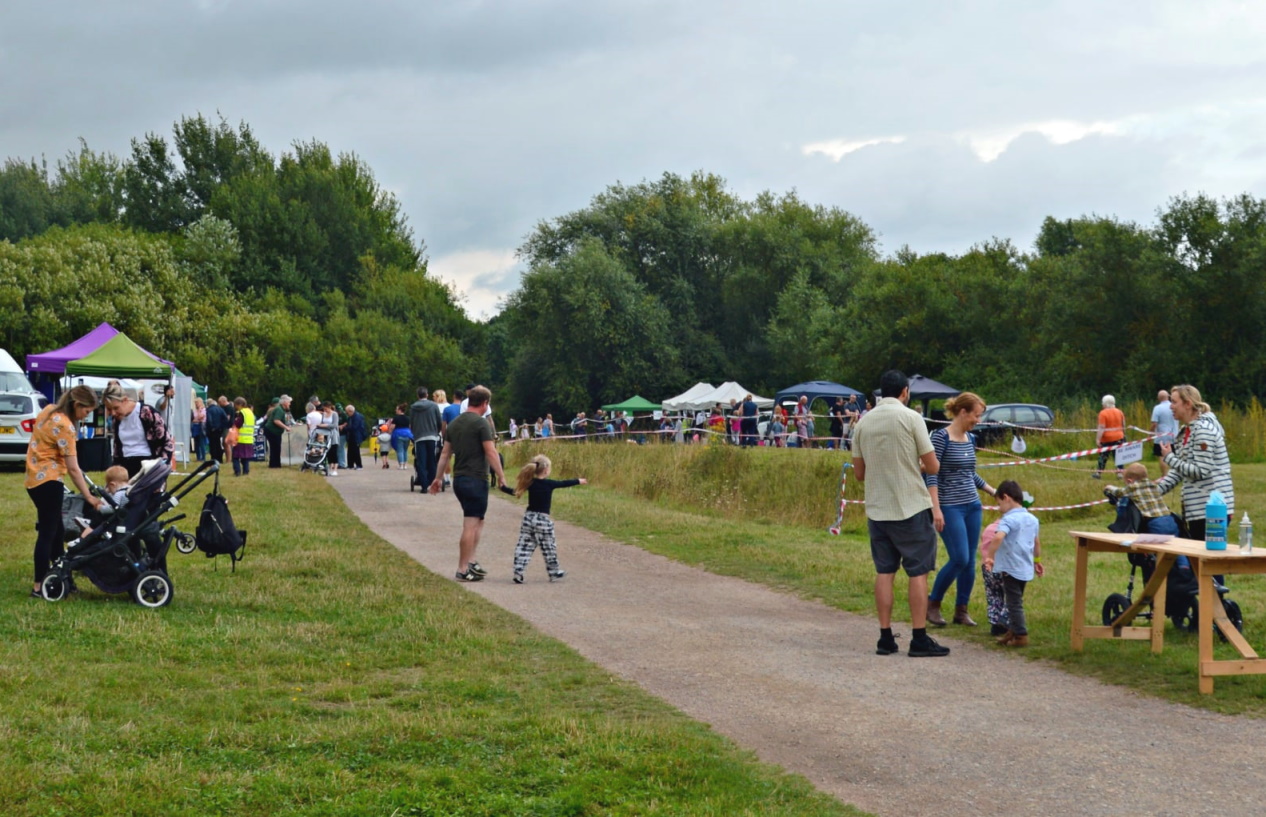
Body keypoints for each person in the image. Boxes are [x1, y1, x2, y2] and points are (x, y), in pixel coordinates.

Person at [850, 369, 948, 657]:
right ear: (905, 392)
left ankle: (885, 637)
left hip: (878, 509)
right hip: (910, 506)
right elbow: (933, 466)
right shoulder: (911, 418)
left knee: (885, 571)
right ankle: (919, 637)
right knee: (918, 571)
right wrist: (913, 464)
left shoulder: (863, 425)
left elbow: (858, 474)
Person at [924, 392, 998, 628]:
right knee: (959, 557)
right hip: (949, 506)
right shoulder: (940, 437)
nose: (977, 420)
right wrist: (936, 509)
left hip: (972, 505)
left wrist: (993, 491)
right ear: (962, 412)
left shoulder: (971, 439)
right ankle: (932, 604)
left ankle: (961, 610)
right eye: (975, 415)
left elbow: (969, 473)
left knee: (969, 561)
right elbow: (931, 474)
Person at [25, 385, 101, 597]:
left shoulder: (48, 410)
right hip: (49, 481)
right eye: (86, 411)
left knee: (57, 531)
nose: (87, 416)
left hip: (33, 480)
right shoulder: (65, 426)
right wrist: (88, 496)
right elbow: (74, 469)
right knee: (48, 533)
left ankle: (64, 577)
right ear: (77, 405)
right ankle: (39, 585)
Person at [429, 386, 507, 581]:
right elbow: (491, 452)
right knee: (470, 524)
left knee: (478, 520)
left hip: (460, 479)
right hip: (475, 479)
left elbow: (445, 454)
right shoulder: (482, 424)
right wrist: (502, 476)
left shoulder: (455, 424)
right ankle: (462, 569)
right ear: (485, 403)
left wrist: (438, 478)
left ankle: (471, 561)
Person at [1156, 384, 1234, 541]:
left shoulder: (1202, 430)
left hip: (1212, 509)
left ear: (1188, 404)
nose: (1171, 406)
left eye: (1174, 402)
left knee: (1207, 561)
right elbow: (1181, 470)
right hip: (1199, 509)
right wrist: (1154, 491)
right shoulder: (1187, 431)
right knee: (1197, 561)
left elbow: (1200, 470)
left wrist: (1169, 457)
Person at [500, 454, 587, 583]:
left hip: (529, 518)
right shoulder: (549, 484)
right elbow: (563, 483)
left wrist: (503, 487)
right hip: (543, 520)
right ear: (546, 470)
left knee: (524, 546)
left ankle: (518, 573)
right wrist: (578, 480)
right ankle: (554, 571)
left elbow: (515, 492)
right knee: (548, 546)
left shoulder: (529, 483)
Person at [982, 480, 1043, 648]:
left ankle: (1021, 635)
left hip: (1010, 567)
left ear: (1006, 498)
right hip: (1025, 567)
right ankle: (1013, 631)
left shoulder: (1008, 519)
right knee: (1016, 599)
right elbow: (1036, 542)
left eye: (999, 503)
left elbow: (998, 537)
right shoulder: (1032, 519)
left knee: (1013, 603)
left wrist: (990, 556)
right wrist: (1037, 561)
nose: (998, 507)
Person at [102, 381, 176, 477]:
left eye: (116, 408)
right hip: (124, 468)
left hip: (147, 466)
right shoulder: (116, 420)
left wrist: (161, 468)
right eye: (109, 409)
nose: (113, 413)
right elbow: (117, 449)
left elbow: (167, 442)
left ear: (125, 400)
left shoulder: (147, 412)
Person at [1104, 462, 1180, 535]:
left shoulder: (1133, 487)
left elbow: (1119, 492)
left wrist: (1110, 487)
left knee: (1153, 546)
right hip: (1170, 520)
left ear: (1129, 481)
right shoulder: (1153, 485)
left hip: (1155, 523)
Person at [409, 387, 443, 490]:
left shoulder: (413, 407)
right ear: (427, 395)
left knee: (421, 461)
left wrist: (414, 433)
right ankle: (432, 482)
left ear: (417, 395)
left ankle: (423, 485)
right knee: (432, 460)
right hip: (432, 436)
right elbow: (439, 421)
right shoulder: (433, 406)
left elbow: (412, 422)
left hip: (419, 437)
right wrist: (437, 431)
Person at [1094, 394, 1126, 479]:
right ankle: (1120, 473)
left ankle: (1098, 473)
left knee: (1103, 456)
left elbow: (1101, 427)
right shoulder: (1119, 412)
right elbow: (1123, 425)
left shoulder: (1103, 413)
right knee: (1119, 456)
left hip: (1107, 439)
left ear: (1105, 403)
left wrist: (1098, 439)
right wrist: (1124, 434)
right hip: (1119, 437)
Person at [1151, 389, 1179, 476]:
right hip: (1175, 435)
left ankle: (1164, 475)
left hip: (1161, 437)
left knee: (1162, 456)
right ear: (1168, 396)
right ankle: (1175, 474)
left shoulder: (1157, 408)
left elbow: (1154, 423)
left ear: (1158, 398)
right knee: (1174, 455)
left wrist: (1150, 433)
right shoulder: (1175, 406)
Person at [230, 397, 256, 476]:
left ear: (240, 404)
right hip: (249, 439)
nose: (235, 407)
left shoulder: (242, 413)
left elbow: (238, 424)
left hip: (241, 439)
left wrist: (234, 421)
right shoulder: (250, 412)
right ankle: (246, 471)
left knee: (235, 457)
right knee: (245, 457)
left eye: (236, 405)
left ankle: (237, 472)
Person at [265, 395, 292, 469]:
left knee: (276, 447)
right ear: (285, 403)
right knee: (275, 447)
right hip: (271, 430)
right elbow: (276, 420)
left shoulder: (281, 409)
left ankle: (275, 464)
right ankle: (275, 465)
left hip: (274, 431)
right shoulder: (279, 409)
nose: (290, 404)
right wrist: (286, 427)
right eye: (289, 402)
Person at [205, 395, 229, 463]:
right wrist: (221, 427)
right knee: (218, 444)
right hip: (219, 430)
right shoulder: (220, 409)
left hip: (212, 430)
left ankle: (214, 459)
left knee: (212, 445)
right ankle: (220, 459)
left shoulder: (209, 410)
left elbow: (209, 420)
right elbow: (225, 419)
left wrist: (211, 427)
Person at [319, 401, 341, 476]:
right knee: (328, 452)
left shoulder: (334, 414)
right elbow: (321, 423)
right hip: (325, 434)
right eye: (324, 409)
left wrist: (325, 425)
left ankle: (335, 469)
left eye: (326, 409)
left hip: (333, 434)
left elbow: (334, 425)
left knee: (334, 452)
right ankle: (329, 467)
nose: (325, 411)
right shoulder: (323, 414)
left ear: (329, 407)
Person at [343, 404, 367, 470]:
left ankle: (359, 465)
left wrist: (345, 428)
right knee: (350, 451)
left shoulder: (357, 417)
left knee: (356, 451)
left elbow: (354, 427)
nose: (346, 414)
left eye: (347, 412)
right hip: (351, 436)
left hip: (356, 436)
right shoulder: (350, 417)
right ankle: (350, 465)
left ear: (350, 411)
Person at [388, 403, 411, 470]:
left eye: (396, 409)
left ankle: (401, 464)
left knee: (400, 450)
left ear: (400, 410)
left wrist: (389, 433)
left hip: (398, 435)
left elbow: (392, 427)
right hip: (407, 435)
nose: (395, 410)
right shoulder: (408, 418)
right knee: (405, 450)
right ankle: (405, 464)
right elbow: (410, 427)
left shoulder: (396, 418)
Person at [191, 397, 208, 461]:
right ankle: (198, 457)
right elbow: (193, 420)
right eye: (195, 403)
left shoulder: (204, 410)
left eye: (197, 403)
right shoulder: (195, 410)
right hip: (195, 427)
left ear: (201, 403)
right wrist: (197, 418)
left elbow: (200, 417)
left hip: (201, 427)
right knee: (196, 443)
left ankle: (203, 457)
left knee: (202, 443)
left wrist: (200, 411)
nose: (196, 404)